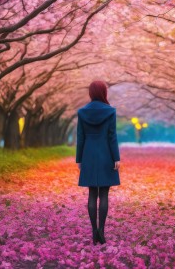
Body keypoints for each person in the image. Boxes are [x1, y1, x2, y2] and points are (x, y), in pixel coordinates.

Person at [76, 80, 121, 245]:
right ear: (103, 92)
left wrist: (79, 159)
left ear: (90, 92)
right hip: (105, 154)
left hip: (88, 154)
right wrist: (116, 157)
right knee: (104, 194)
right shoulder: (110, 111)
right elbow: (112, 136)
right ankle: (101, 230)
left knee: (91, 194)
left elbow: (80, 136)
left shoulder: (82, 112)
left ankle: (94, 231)